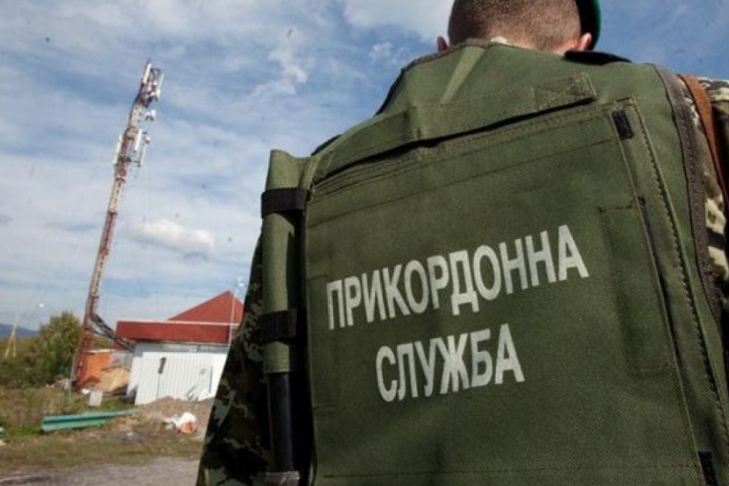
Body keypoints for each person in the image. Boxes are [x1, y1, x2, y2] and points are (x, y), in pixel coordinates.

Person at [197, 1, 729, 484]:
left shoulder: (307, 191)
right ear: (579, 47)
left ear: (442, 48)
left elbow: (239, 451)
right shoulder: (695, 112)